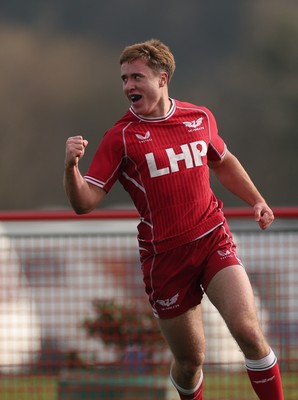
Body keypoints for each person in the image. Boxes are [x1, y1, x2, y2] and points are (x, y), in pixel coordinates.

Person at [64, 39, 284, 400]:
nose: (128, 86)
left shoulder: (198, 117)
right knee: (190, 360)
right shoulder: (120, 137)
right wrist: (71, 167)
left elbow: (223, 161)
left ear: (162, 79)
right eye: (124, 79)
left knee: (248, 332)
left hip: (213, 237)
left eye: (137, 77)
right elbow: (83, 203)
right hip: (165, 259)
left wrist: (256, 200)